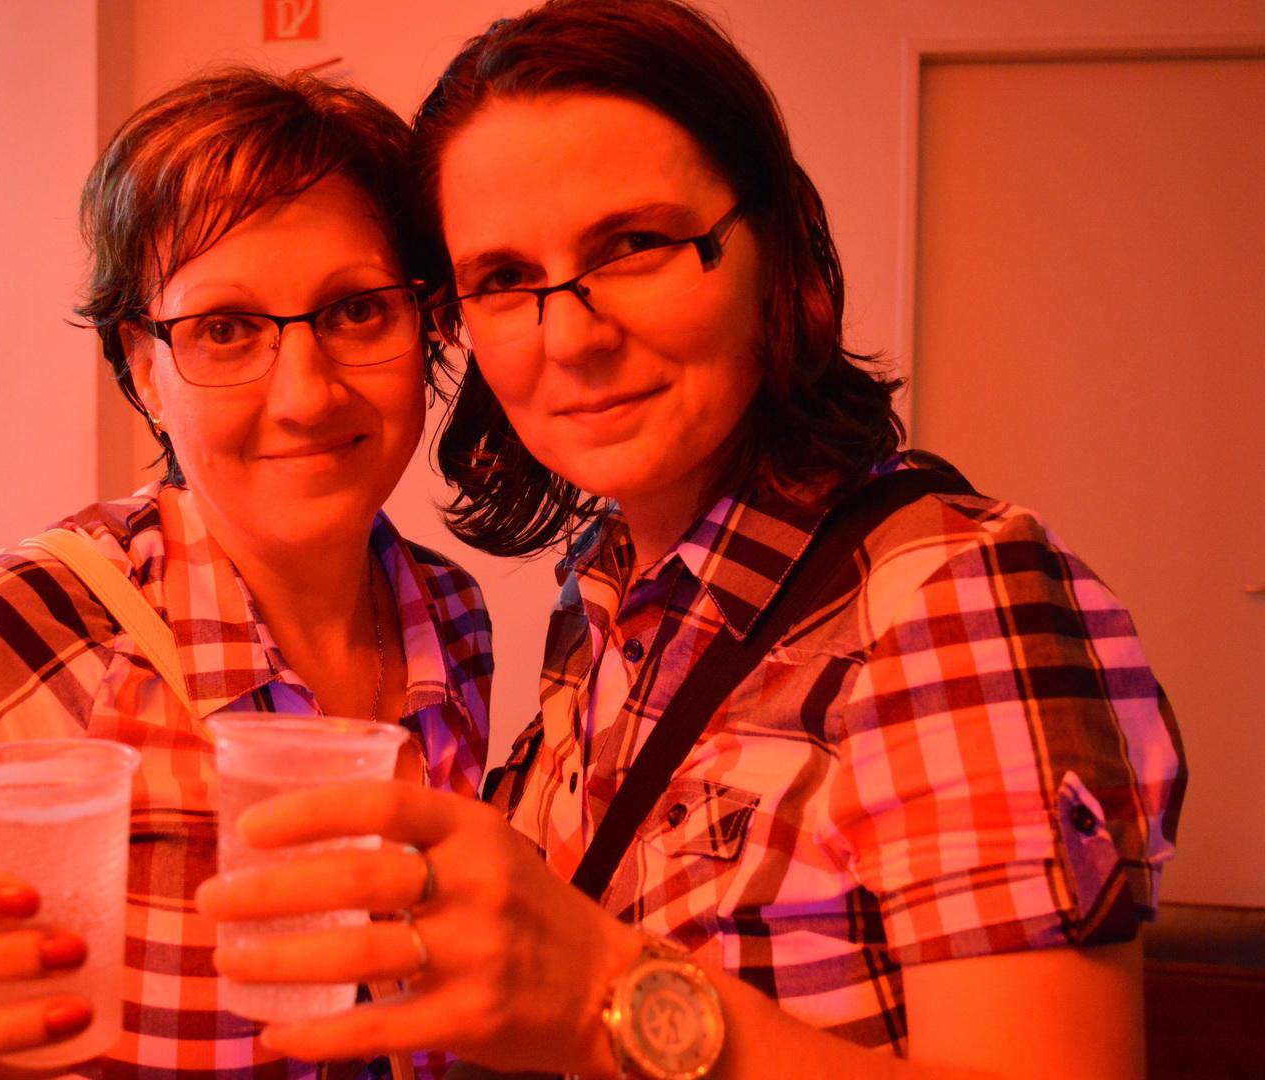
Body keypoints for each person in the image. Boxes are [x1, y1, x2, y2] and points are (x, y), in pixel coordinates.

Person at [194, 2, 1187, 1078]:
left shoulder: (953, 605)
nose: (571, 336)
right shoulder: (607, 597)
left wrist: (603, 999)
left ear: (778, 249)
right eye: (506, 278)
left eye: (635, 245)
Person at [0, 67, 491, 1080]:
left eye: (357, 310)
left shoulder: (450, 617)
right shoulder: (20, 635)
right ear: (143, 366)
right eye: (225, 329)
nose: (306, 394)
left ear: (427, 324)